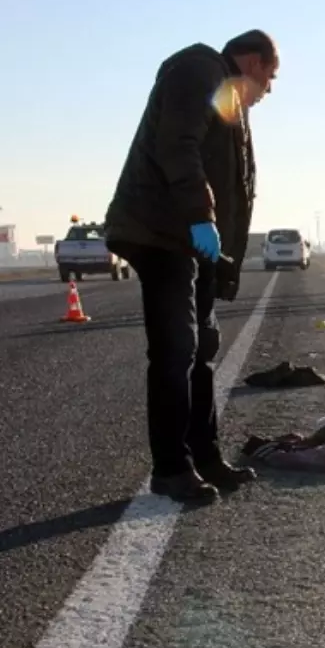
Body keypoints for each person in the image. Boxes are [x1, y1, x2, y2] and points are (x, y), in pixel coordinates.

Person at [104, 30, 277, 502]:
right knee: (177, 349)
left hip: (191, 241)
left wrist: (221, 258)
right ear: (255, 62)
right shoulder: (200, 68)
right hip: (161, 231)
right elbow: (177, 143)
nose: (268, 92)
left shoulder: (228, 99)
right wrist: (200, 217)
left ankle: (205, 458)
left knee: (202, 346)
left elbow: (233, 182)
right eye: (270, 79)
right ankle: (171, 469)